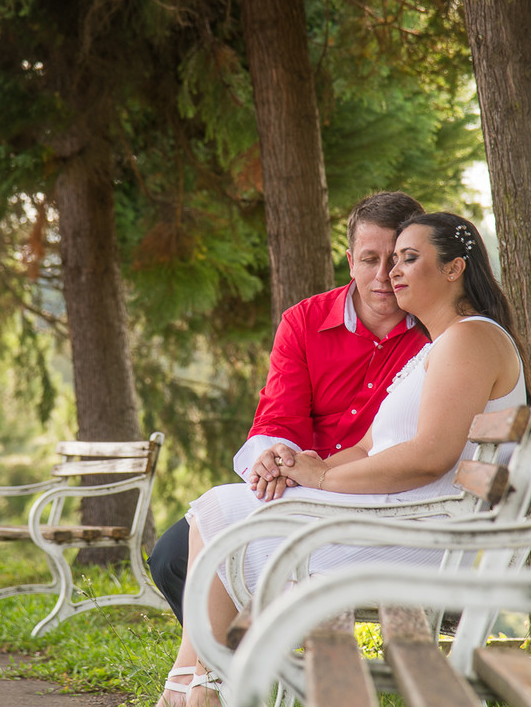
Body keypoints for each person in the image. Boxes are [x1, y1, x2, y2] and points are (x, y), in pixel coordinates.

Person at [156, 212, 531, 707]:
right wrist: (303, 467)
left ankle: (198, 688)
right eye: (382, 260)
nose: (391, 274)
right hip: (405, 520)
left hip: (423, 538)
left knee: (222, 516)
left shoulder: (467, 339)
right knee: (220, 515)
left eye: (408, 258)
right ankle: (199, 687)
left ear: (453, 269)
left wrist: (320, 480)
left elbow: (429, 456)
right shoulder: (444, 344)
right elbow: (367, 448)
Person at [147, 192, 430, 626]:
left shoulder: (434, 335)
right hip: (296, 487)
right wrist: (272, 459)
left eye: (396, 260)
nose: (383, 276)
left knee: (230, 549)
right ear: (350, 260)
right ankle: (233, 669)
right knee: (171, 558)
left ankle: (244, 669)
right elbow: (279, 416)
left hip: (371, 499)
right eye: (369, 259)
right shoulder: (304, 321)